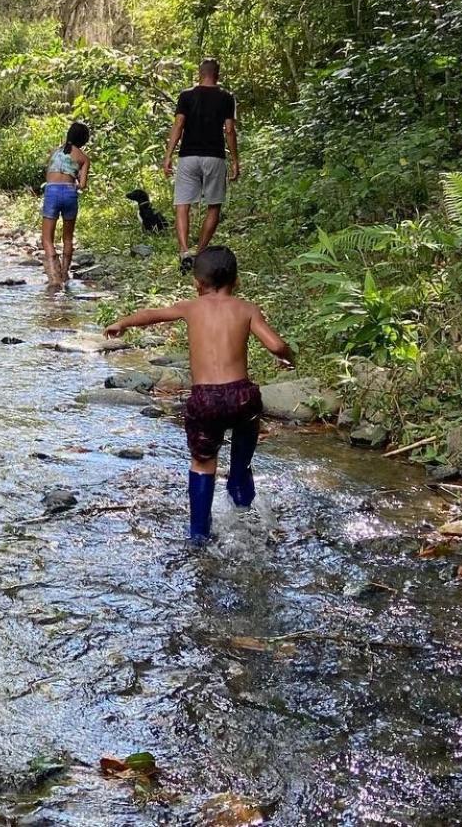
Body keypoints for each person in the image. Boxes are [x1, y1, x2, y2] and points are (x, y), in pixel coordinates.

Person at [103, 246, 293, 544]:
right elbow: (276, 345)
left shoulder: (191, 307)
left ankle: (199, 535)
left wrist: (122, 323)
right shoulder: (247, 309)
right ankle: (244, 505)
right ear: (237, 280)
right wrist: (288, 357)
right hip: (242, 396)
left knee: (204, 462)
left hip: (206, 399)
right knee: (241, 459)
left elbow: (153, 315)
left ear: (197, 283)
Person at [162, 59, 239, 276]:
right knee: (214, 206)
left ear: (199, 74)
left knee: (182, 204)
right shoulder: (226, 97)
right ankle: (201, 252)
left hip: (188, 157)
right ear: (218, 74)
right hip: (214, 157)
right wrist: (234, 160)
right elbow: (230, 130)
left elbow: (178, 124)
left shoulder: (186, 95)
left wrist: (168, 156)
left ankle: (184, 251)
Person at [41, 121, 90, 287]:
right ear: (84, 140)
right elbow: (82, 185)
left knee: (47, 239)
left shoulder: (55, 152)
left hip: (52, 192)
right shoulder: (83, 158)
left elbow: (49, 172)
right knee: (67, 238)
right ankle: (65, 275)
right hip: (69, 193)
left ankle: (54, 278)